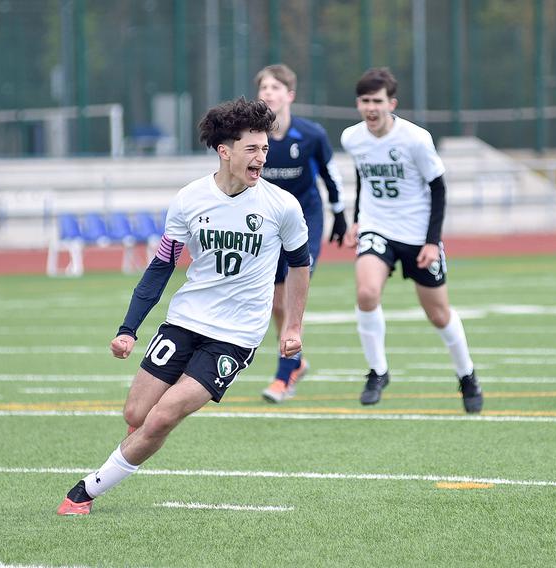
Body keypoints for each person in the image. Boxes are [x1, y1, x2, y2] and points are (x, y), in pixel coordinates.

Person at [56, 98, 311, 515]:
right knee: (137, 413)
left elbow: (300, 265)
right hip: (185, 322)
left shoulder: (281, 206)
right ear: (224, 151)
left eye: (265, 149)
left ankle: (83, 492)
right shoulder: (190, 199)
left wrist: (293, 327)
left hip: (235, 336)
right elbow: (161, 266)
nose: (261, 158)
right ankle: (135, 449)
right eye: (252, 149)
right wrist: (128, 328)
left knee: (162, 417)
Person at [340, 67, 483, 413]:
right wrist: (358, 221)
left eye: (377, 101)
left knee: (438, 313)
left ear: (392, 103)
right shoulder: (352, 138)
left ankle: (467, 375)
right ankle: (378, 371)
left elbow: (438, 187)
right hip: (378, 227)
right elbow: (363, 178)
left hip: (418, 234)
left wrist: (432, 242)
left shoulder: (415, 139)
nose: (370, 108)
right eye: (364, 101)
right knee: (366, 292)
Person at [254, 64, 348, 403]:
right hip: (267, 223)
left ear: (290, 95)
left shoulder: (311, 134)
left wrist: (339, 214)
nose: (269, 93)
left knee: (293, 299)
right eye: (264, 87)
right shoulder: (251, 137)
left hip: (306, 220)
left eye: (276, 87)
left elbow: (331, 175)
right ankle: (297, 360)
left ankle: (284, 376)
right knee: (277, 303)